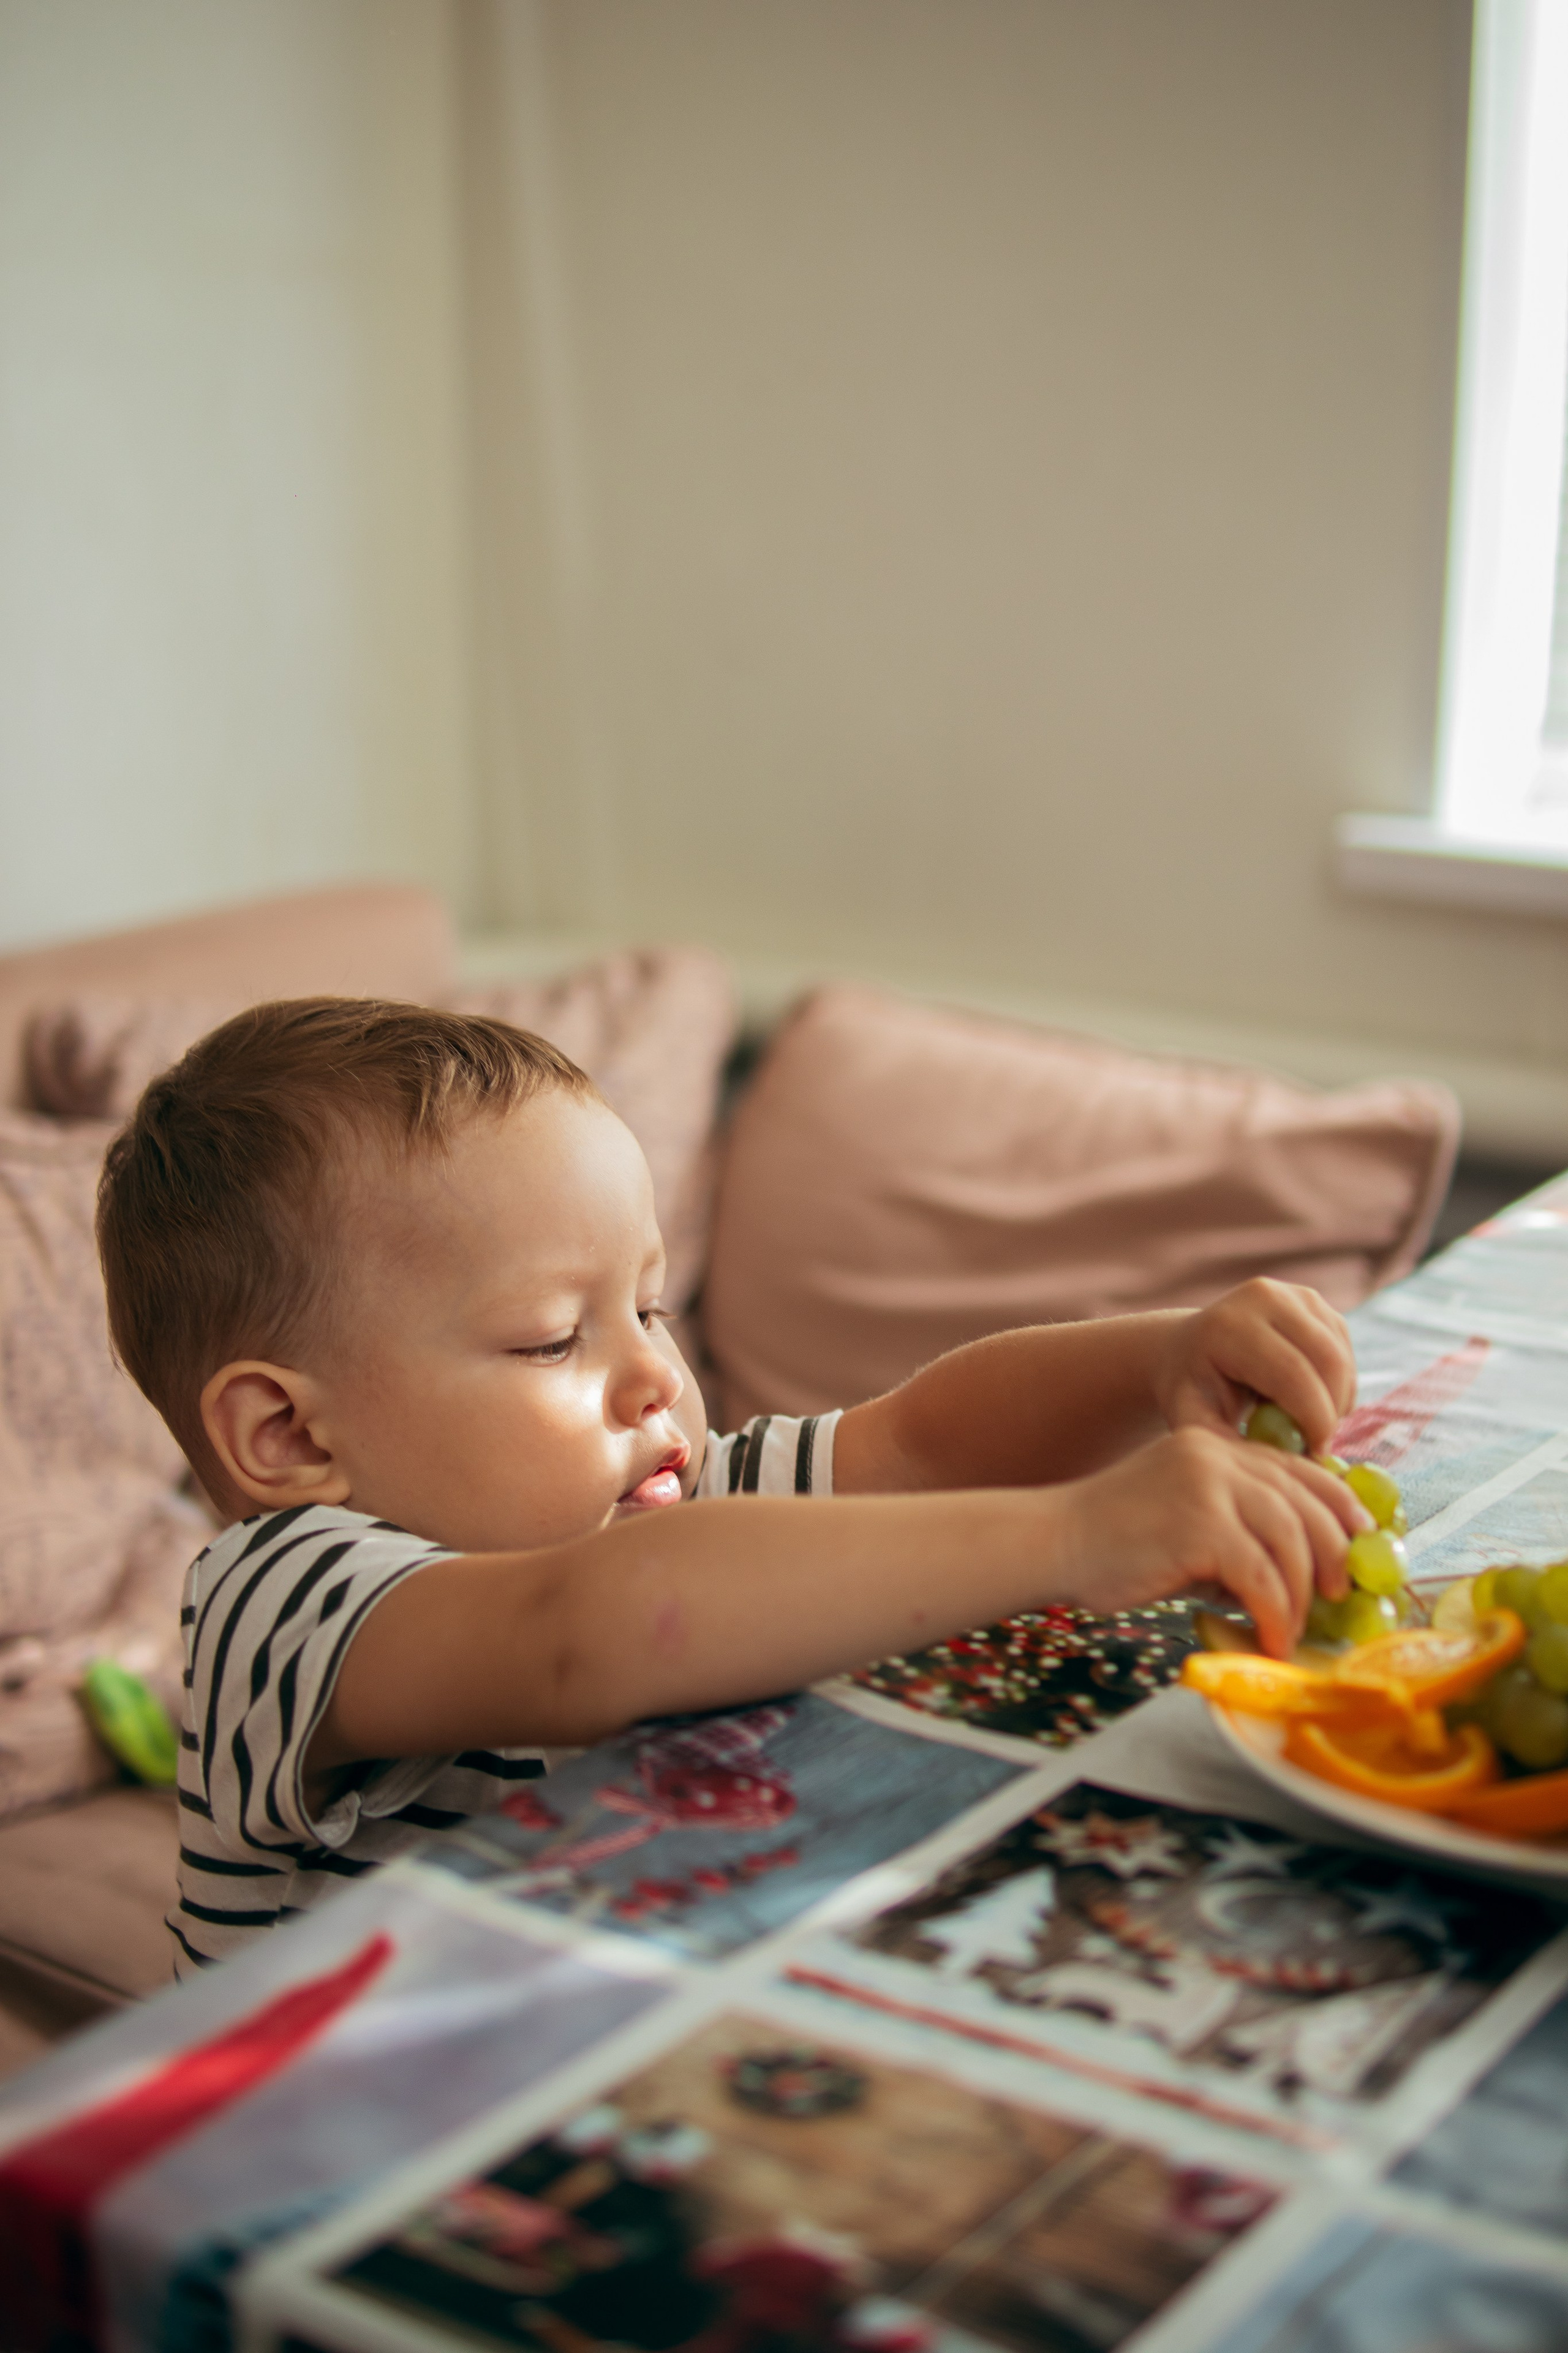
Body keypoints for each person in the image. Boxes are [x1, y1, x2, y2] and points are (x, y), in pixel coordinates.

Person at [95, 1000, 1369, 1972]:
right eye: (552, 1337)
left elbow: (918, 1445)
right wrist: (1075, 1532)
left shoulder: (651, 1498)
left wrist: (1153, 1357)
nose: (656, 1372)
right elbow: (581, 1632)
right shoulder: (280, 1594)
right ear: (284, 1435)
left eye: (646, 1304)